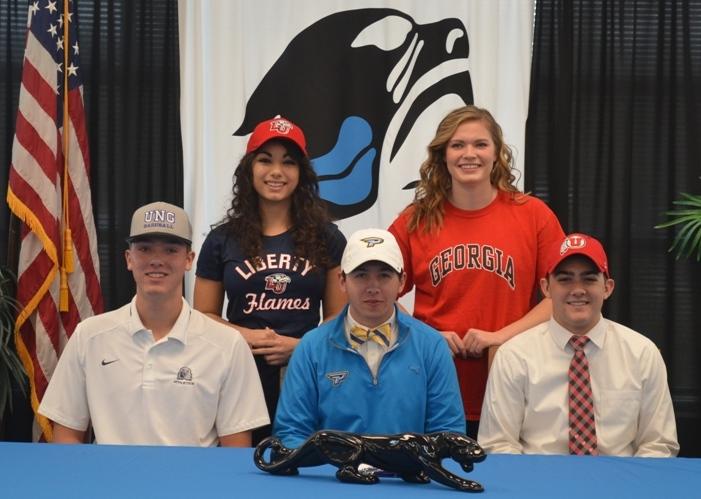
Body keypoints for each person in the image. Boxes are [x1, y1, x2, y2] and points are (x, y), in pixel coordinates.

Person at [388, 105, 565, 437]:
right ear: (442, 155)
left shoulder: (533, 215)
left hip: (515, 379)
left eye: (480, 144)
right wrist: (424, 337)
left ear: (497, 153)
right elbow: (377, 293)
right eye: (457, 145)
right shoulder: (416, 219)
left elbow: (559, 297)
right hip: (432, 381)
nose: (469, 154)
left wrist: (501, 336)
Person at [39, 202, 269, 446]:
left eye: (171, 250)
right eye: (145, 249)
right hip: (107, 482)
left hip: (192, 484)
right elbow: (67, 434)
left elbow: (235, 449)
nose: (157, 260)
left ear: (189, 260)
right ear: (129, 258)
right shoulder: (89, 336)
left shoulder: (228, 344)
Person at [193, 116, 347, 444]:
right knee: (242, 471)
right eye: (265, 160)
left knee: (306, 465)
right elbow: (202, 316)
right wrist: (246, 336)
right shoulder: (222, 240)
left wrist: (301, 346)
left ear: (301, 174)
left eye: (288, 163)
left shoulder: (328, 237)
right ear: (249, 169)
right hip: (239, 373)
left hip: (307, 373)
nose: (276, 172)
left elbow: (339, 316)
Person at [478, 233, 679, 456]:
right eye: (565, 279)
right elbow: (497, 445)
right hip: (539, 484)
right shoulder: (514, 356)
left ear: (608, 287)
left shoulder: (642, 353)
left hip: (621, 485)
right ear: (546, 288)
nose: (577, 289)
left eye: (589, 279)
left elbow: (658, 444)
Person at [273, 228, 465, 449]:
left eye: (384, 275)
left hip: (409, 480)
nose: (373, 287)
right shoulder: (311, 347)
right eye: (361, 275)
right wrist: (334, 468)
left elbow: (449, 433)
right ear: (342, 281)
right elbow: (291, 433)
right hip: (335, 478)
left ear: (402, 281)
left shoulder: (431, 346)